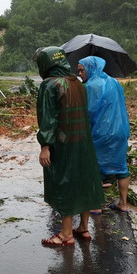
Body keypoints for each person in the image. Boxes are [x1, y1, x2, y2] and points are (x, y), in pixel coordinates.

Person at [34, 47, 104, 246]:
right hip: (83, 142)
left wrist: (45, 146)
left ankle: (66, 234)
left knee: (64, 182)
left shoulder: (50, 85)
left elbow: (48, 119)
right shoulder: (78, 83)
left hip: (63, 144)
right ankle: (83, 227)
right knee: (84, 181)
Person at [77, 56, 131, 213]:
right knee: (121, 167)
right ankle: (123, 203)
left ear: (91, 68)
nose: (80, 73)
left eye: (82, 69)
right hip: (120, 130)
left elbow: (89, 112)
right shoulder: (114, 82)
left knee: (95, 167)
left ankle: (95, 205)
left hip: (102, 133)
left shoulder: (91, 86)